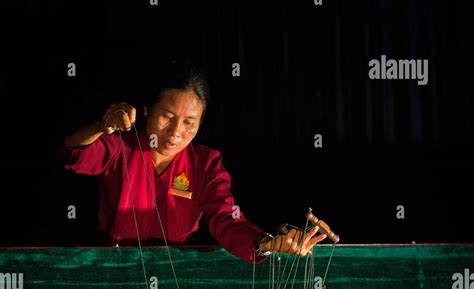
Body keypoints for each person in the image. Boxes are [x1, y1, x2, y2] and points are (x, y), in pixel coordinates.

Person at [61, 59, 327, 261]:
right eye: (166, 116)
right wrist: (101, 126)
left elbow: (227, 219)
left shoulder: (205, 163)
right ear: (146, 110)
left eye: (189, 122)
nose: (176, 132)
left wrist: (265, 243)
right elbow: (75, 154)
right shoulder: (121, 146)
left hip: (176, 279)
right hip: (114, 272)